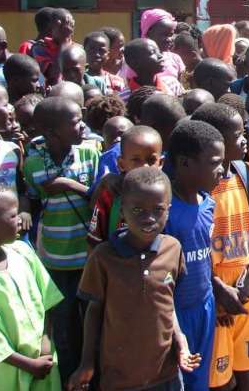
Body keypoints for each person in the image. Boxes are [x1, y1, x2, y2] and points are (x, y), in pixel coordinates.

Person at [67, 167, 200, 391]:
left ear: (168, 210)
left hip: (166, 374)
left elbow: (167, 304)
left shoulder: (173, 249)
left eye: (158, 210)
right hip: (120, 377)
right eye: (137, 209)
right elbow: (93, 312)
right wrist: (87, 362)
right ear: (121, 211)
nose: (148, 218)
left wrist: (181, 341)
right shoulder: (104, 257)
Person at [191, 103, 249, 391]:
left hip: (245, 287)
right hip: (213, 289)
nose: (246, 139)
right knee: (217, 374)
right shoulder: (199, 184)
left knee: (247, 363)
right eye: (238, 135)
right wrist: (218, 288)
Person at [22, 96, 99, 383]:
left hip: (88, 254)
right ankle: (69, 377)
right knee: (64, 323)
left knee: (90, 318)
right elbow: (48, 186)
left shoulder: (90, 153)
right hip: (56, 257)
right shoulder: (34, 160)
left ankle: (90, 374)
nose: (82, 126)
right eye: (75, 122)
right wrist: (82, 188)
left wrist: (78, 187)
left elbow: (98, 192)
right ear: (53, 132)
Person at [0, 181, 63, 391]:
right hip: (3, 372)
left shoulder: (23, 252)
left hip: (43, 362)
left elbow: (47, 299)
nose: (20, 220)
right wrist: (28, 364)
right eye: (13, 215)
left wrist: (46, 340)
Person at [163, 120, 225, 391]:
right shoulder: (164, 212)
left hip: (204, 307)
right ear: (185, 163)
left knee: (200, 380)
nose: (221, 170)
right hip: (173, 314)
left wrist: (216, 289)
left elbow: (205, 257)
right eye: (214, 163)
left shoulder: (208, 203)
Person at [87, 125, 163, 248]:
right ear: (121, 164)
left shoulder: (165, 195)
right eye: (136, 160)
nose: (144, 166)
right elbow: (94, 241)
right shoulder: (111, 195)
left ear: (161, 163)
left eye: (151, 160)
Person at [139, 8, 186, 80]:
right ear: (148, 33)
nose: (169, 39)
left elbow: (182, 86)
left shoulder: (175, 59)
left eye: (171, 35)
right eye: (164, 34)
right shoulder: (137, 59)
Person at [82, 31, 125, 95]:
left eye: (101, 50)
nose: (96, 54)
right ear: (84, 51)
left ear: (108, 54)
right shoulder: (79, 79)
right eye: (91, 49)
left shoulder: (116, 82)